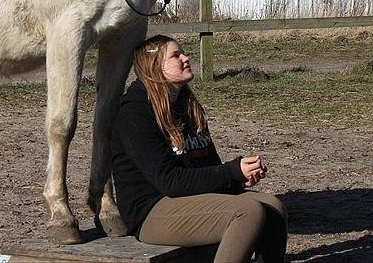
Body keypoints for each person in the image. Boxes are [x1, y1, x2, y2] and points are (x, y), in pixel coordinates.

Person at [111, 35, 287, 263]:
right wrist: (231, 172)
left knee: (273, 207)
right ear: (154, 67)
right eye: (176, 55)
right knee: (248, 212)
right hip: (151, 211)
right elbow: (170, 182)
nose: (186, 57)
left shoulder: (187, 105)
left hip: (188, 199)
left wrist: (239, 179)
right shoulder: (134, 114)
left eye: (183, 53)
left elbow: (209, 166)